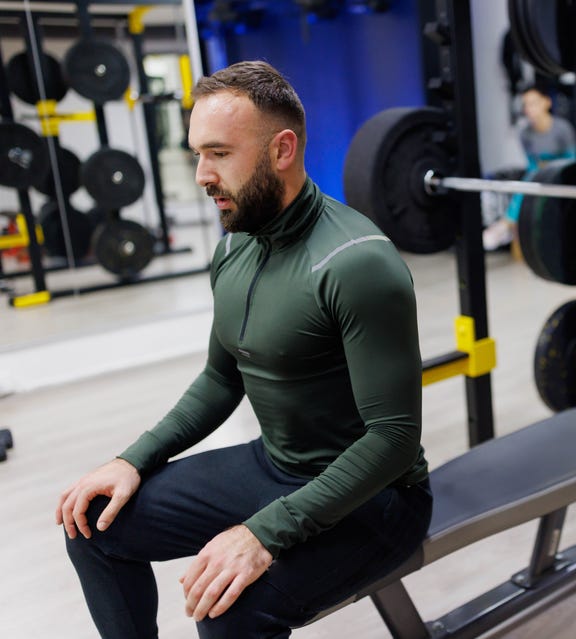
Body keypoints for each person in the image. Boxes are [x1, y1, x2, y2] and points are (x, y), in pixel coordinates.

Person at [56, 60, 432, 639]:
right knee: (92, 525)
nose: (202, 174)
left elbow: (393, 439)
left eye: (219, 153)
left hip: (376, 500)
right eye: (196, 154)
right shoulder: (235, 248)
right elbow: (219, 378)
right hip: (274, 464)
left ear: (283, 150)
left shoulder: (357, 264)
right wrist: (132, 460)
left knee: (228, 610)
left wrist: (263, 533)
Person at [483, 83, 576, 251]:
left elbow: (572, 159)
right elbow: (532, 163)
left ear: (546, 102)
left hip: (563, 173)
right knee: (526, 184)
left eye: (533, 103)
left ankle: (509, 224)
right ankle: (507, 225)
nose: (529, 109)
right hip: (539, 174)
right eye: (526, 104)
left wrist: (550, 168)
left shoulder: (563, 129)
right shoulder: (525, 134)